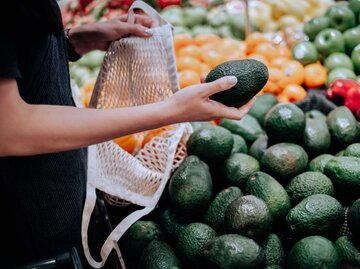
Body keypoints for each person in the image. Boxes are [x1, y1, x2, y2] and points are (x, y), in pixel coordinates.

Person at [0, 0, 255, 268]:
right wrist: (171, 110)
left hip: (55, 192)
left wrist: (73, 41)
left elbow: (18, 47)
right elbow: (10, 128)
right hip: (24, 219)